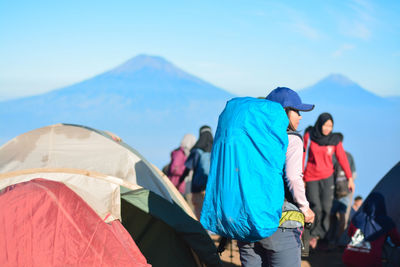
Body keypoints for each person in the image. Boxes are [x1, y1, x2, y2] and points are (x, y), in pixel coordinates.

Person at [237, 87, 315, 267]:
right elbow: (293, 177)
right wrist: (305, 208)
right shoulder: (291, 140)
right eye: (297, 111)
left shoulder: (250, 136)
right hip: (280, 222)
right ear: (284, 112)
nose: (300, 116)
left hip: (247, 221)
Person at [303, 113, 355, 249]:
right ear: (320, 124)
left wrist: (350, 178)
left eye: (330, 126)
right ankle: (313, 235)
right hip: (311, 176)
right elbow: (303, 154)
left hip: (327, 177)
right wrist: (300, 176)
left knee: (327, 208)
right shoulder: (310, 135)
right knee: (315, 207)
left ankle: (323, 235)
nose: (327, 128)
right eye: (325, 125)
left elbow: (342, 158)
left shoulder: (335, 139)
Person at [342, 192, 400, 267]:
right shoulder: (387, 222)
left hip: (348, 258)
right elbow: (397, 241)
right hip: (370, 262)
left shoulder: (357, 217)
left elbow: (350, 234)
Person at [181, 125, 213, 219]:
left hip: (197, 187)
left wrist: (180, 180)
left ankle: (202, 232)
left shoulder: (197, 150)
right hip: (211, 187)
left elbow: (188, 168)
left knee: (199, 211)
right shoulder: (216, 149)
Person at [329, 151, 356, 247]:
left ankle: (330, 238)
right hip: (345, 191)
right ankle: (339, 239)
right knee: (343, 217)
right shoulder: (349, 156)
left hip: (333, 192)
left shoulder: (332, 156)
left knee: (332, 216)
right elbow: (353, 175)